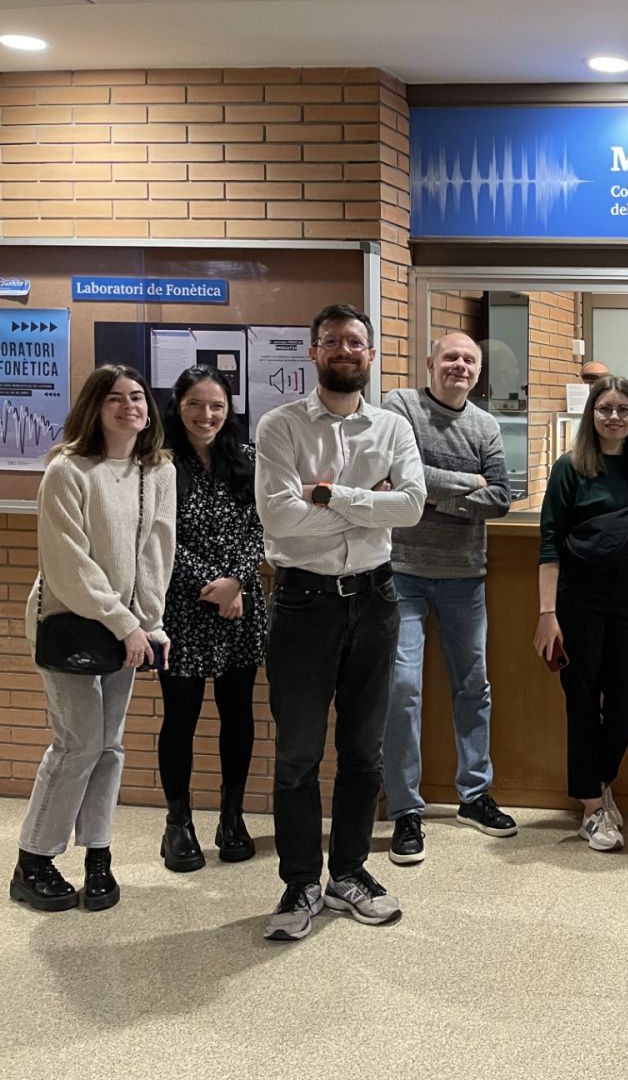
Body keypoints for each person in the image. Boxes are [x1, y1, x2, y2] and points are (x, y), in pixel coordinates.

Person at [255, 304, 425, 942]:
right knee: (298, 753)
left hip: (377, 602)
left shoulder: (393, 428)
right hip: (303, 604)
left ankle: (349, 873)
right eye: (331, 342)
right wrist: (367, 506)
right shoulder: (280, 427)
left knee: (363, 750)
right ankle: (300, 883)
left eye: (355, 342)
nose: (344, 351)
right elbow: (279, 519)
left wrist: (328, 495)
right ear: (314, 353)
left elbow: (410, 507)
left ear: (372, 353)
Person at [12, 365, 175, 913]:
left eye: (137, 397)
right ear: (94, 408)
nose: (129, 406)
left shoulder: (158, 471)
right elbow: (68, 565)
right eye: (114, 398)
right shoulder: (67, 469)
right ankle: (33, 859)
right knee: (78, 743)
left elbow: (157, 553)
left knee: (108, 746)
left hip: (126, 631)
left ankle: (97, 855)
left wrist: (147, 623)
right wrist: (124, 623)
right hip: (70, 622)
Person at [382, 333, 514, 866]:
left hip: (465, 575)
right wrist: (466, 485)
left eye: (470, 360)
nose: (460, 366)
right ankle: (404, 809)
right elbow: (397, 475)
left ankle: (475, 795)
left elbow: (501, 497)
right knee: (402, 687)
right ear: (431, 362)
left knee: (472, 685)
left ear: (478, 372)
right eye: (451, 357)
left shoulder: (485, 425)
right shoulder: (400, 406)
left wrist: (429, 500)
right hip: (401, 572)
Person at [534, 375, 628, 852]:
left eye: (623, 410)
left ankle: (601, 782)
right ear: (591, 415)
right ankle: (592, 806)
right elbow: (549, 544)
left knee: (626, 703)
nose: (614, 417)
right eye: (605, 408)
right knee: (583, 704)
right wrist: (548, 613)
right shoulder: (570, 469)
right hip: (579, 602)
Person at [156, 365, 266, 872]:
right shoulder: (158, 465)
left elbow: (263, 526)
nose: (207, 415)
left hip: (241, 607)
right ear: (178, 406)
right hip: (183, 608)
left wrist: (237, 583)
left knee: (237, 713)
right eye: (196, 404)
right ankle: (177, 824)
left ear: (229, 408)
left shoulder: (246, 459)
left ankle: (231, 816)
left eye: (217, 405)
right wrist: (214, 587)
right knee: (181, 715)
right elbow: (158, 541)